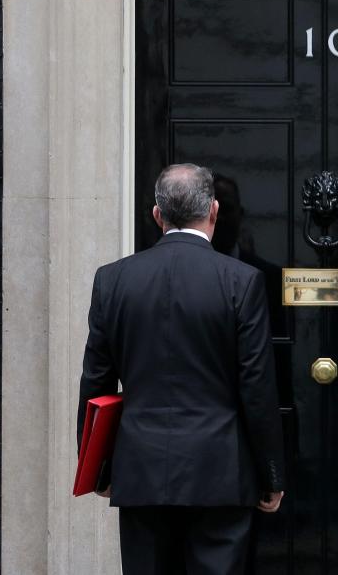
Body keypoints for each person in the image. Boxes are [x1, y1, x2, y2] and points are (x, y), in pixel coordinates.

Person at [77, 163, 285, 575]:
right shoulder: (241, 281)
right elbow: (256, 386)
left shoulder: (113, 280)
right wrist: (271, 474)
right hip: (220, 471)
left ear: (157, 215)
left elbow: (95, 384)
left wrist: (98, 467)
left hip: (140, 472)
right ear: (213, 211)